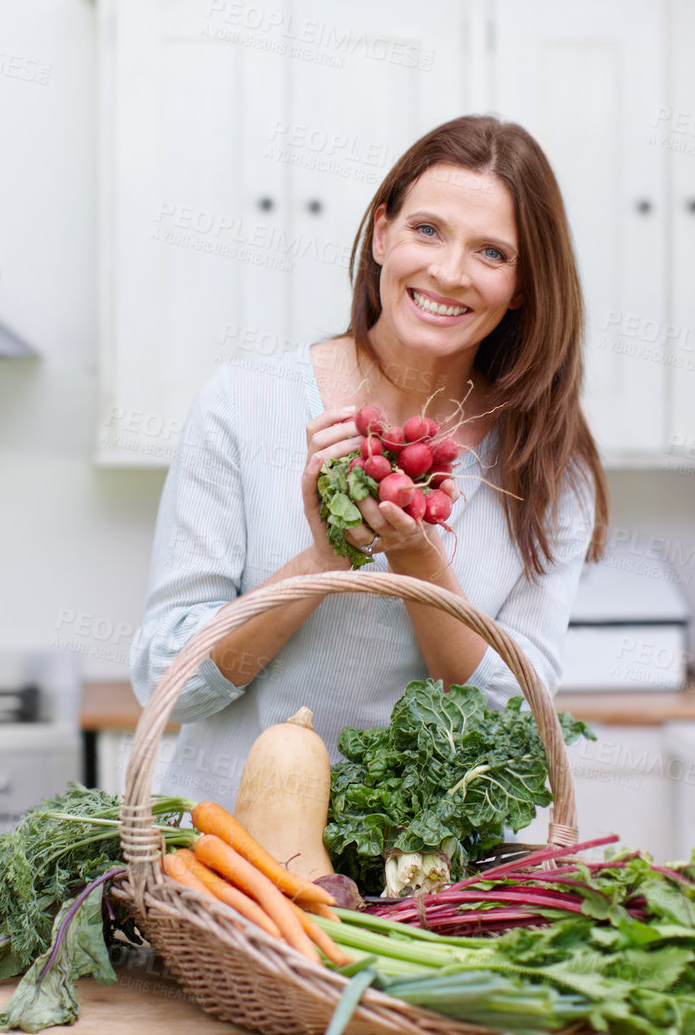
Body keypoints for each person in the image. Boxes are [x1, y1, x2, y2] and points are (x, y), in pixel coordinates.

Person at [129, 114, 609, 808]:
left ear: (526, 284)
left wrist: (419, 561)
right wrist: (321, 561)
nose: (449, 272)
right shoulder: (241, 404)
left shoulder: (550, 468)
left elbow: (515, 717)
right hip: (231, 860)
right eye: (428, 230)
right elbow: (170, 680)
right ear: (382, 232)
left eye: (493, 253)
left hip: (428, 874)